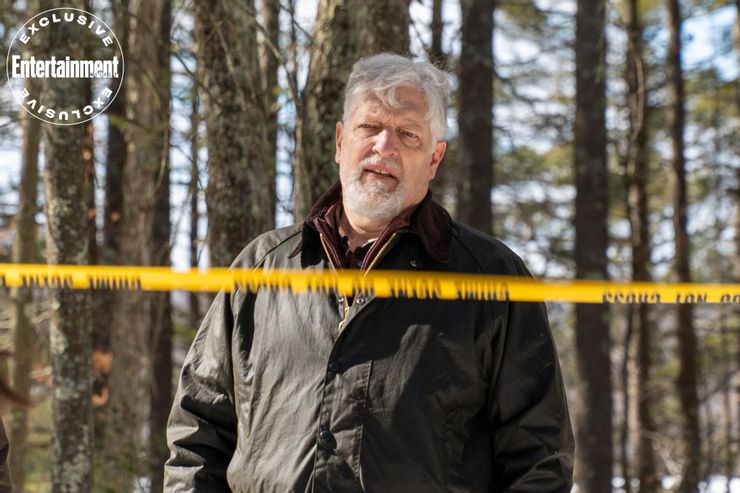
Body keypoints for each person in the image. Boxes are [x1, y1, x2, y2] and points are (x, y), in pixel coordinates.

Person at [164, 53, 574, 492]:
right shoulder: (262, 267)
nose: (384, 146)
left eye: (408, 134)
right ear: (340, 141)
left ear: (434, 159)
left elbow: (538, 461)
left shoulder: (491, 279)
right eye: (370, 126)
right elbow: (197, 436)